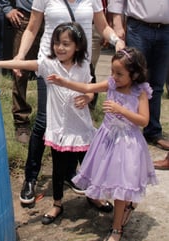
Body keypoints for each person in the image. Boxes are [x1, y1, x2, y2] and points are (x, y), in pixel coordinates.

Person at [0, 21, 104, 225]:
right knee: (58, 169)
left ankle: (94, 196)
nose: (60, 48)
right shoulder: (49, 64)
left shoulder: (83, 65)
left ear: (77, 46)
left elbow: (90, 87)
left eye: (65, 44)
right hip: (59, 131)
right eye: (56, 43)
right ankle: (57, 204)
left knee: (89, 166)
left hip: (82, 129)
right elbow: (25, 64)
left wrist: (88, 97)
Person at [15, 0, 125, 209]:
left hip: (81, 67)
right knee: (44, 121)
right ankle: (31, 177)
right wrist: (20, 56)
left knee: (78, 121)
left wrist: (116, 40)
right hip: (50, 65)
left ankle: (73, 174)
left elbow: (102, 26)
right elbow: (32, 27)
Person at [48, 47, 158, 240]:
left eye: (119, 74)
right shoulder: (111, 84)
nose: (114, 77)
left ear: (135, 74)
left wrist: (120, 110)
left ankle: (116, 228)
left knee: (121, 185)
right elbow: (87, 88)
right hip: (106, 141)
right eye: (112, 72)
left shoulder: (140, 92)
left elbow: (144, 120)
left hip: (127, 145)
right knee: (108, 178)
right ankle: (123, 207)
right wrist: (63, 81)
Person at [108, 0, 169, 151]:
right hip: (138, 27)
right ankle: (124, 126)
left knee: (157, 84)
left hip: (166, 29)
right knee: (132, 80)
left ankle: (153, 131)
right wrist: (117, 24)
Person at [0, 0, 43, 144]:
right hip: (26, 17)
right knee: (20, 72)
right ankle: (21, 122)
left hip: (54, 18)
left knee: (55, 70)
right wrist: (6, 8)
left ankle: (52, 119)